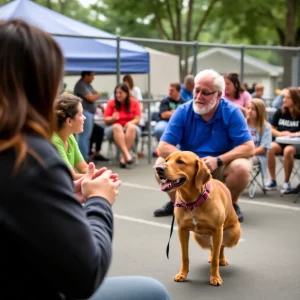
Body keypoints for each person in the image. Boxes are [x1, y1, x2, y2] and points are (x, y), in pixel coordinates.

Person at [0, 19, 170, 300]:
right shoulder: (29, 157)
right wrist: (99, 201)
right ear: (41, 82)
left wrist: (65, 194)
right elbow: (85, 273)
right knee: (154, 292)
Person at [153, 69, 255, 222]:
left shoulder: (232, 112)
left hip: (220, 165)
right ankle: (177, 203)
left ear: (219, 95)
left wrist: (218, 160)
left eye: (205, 93)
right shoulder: (183, 111)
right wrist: (193, 162)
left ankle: (231, 204)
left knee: (241, 167)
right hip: (191, 166)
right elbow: (163, 146)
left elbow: (249, 147)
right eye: (196, 90)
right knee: (161, 163)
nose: (198, 96)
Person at [265, 87, 300, 193]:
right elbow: (271, 128)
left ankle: (286, 182)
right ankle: (272, 179)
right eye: (284, 97)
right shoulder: (280, 111)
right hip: (281, 141)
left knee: (288, 150)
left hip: (296, 144)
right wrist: (280, 133)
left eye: (287, 98)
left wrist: (292, 134)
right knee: (270, 147)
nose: (284, 100)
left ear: (295, 99)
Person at [104, 83, 141, 168]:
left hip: (131, 127)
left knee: (132, 127)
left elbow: (138, 118)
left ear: (126, 93)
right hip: (113, 128)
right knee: (117, 126)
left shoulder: (134, 102)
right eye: (116, 93)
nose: (118, 95)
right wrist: (113, 118)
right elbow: (106, 119)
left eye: (120, 93)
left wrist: (130, 122)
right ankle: (127, 155)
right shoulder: (111, 102)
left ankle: (124, 158)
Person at [53, 93, 89, 180]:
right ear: (69, 121)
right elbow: (72, 176)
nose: (84, 118)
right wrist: (101, 178)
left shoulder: (69, 136)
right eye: (80, 114)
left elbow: (84, 168)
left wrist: (102, 174)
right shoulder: (54, 141)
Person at [74, 71, 105, 161]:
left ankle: (86, 155)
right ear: (86, 76)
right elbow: (91, 98)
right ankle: (83, 158)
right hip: (85, 113)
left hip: (89, 113)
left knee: (89, 135)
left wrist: (100, 106)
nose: (93, 78)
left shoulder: (88, 85)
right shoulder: (81, 85)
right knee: (84, 136)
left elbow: (93, 98)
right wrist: (98, 94)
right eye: (92, 75)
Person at [246, 99, 272, 182]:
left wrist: (246, 153)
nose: (249, 111)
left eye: (253, 109)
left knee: (243, 162)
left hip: (258, 156)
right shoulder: (242, 123)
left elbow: (263, 148)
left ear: (260, 112)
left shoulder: (266, 126)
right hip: (241, 153)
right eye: (248, 108)